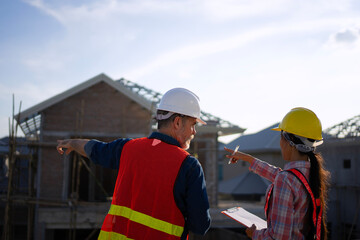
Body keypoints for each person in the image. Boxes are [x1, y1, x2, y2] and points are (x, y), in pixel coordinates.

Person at [57, 88, 211, 240]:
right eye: (193, 125)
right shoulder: (189, 165)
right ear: (177, 122)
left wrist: (72, 142)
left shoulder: (127, 148)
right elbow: (200, 225)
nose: (194, 132)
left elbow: (95, 149)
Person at [225, 107, 330, 240]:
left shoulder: (286, 180)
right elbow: (279, 175)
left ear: (289, 141)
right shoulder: (310, 173)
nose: (280, 143)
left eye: (281, 137)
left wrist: (255, 234)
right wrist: (249, 159)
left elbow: (278, 237)